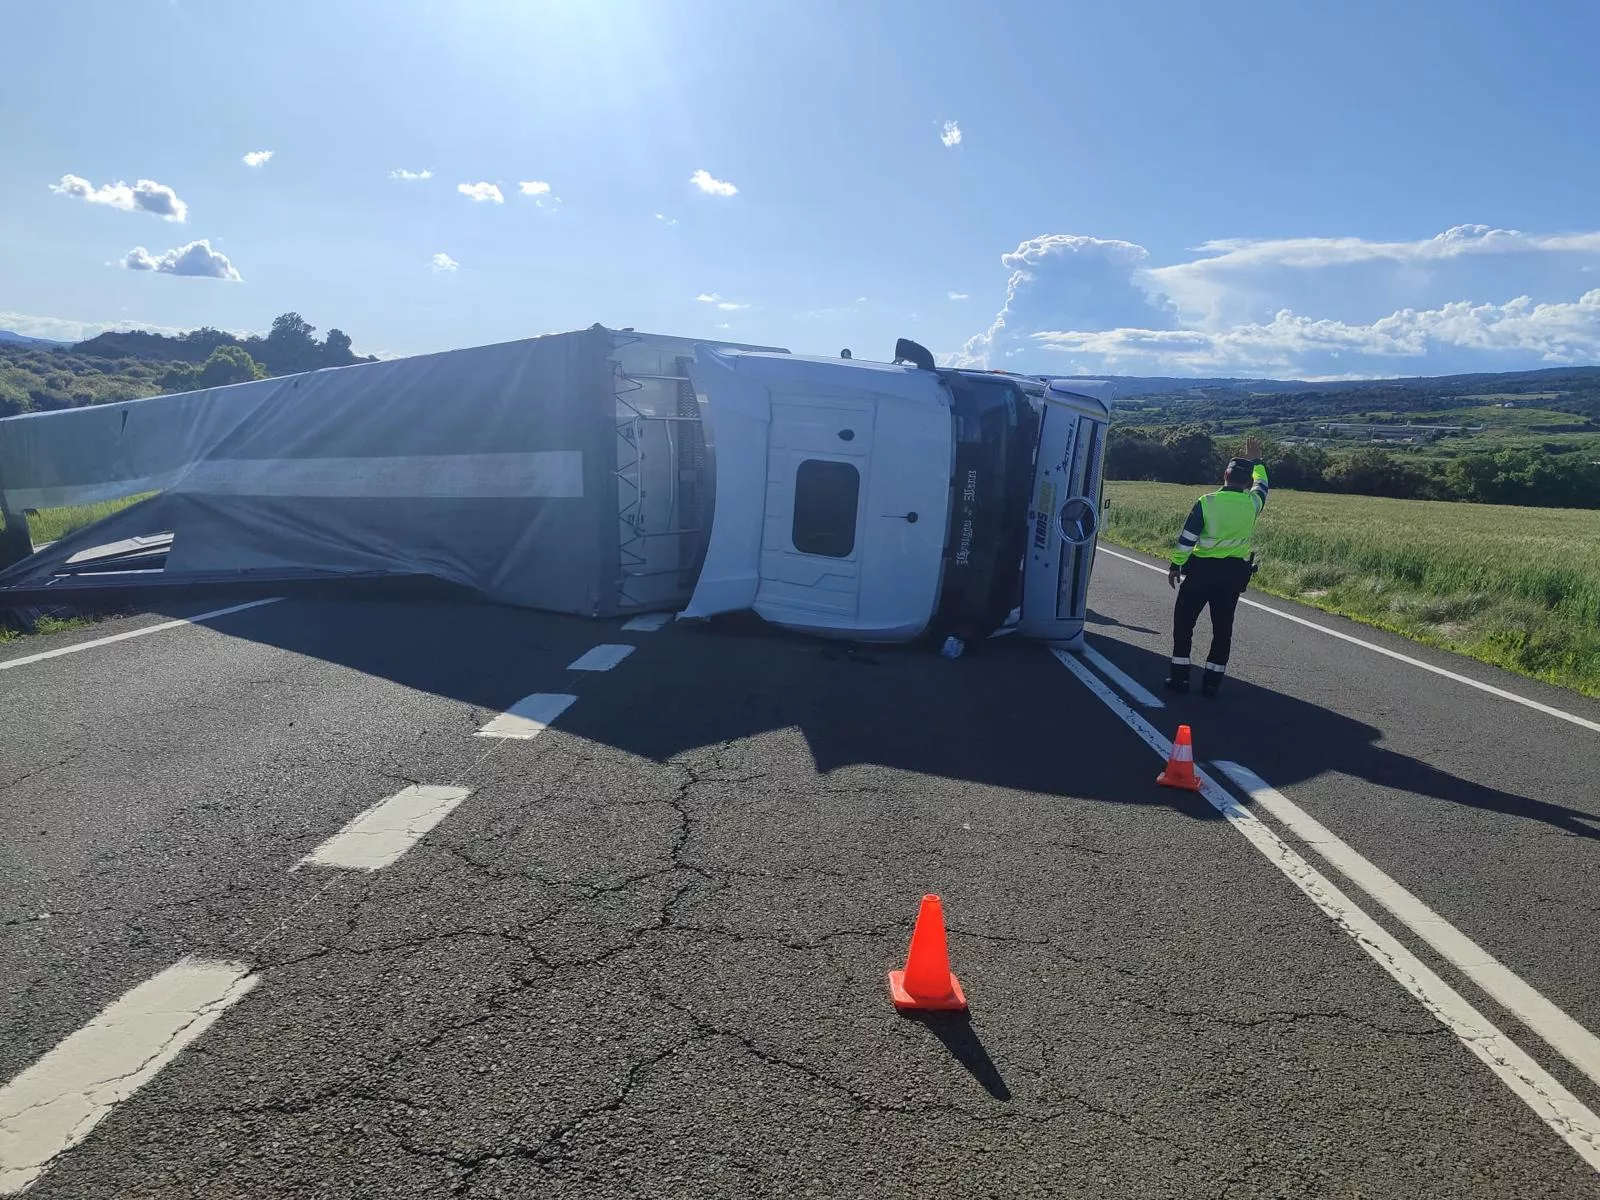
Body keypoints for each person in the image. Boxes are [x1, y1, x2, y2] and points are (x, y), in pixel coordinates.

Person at [1164, 437, 1269, 697]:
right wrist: (1256, 460)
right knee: (1222, 629)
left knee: (1184, 622)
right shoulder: (1253, 504)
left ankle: (1180, 679)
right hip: (1232, 575)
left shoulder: (1206, 502)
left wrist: (1176, 565)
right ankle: (1211, 683)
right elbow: (1263, 485)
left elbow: (1187, 539)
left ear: (1225, 475)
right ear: (1246, 483)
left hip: (1201, 572)